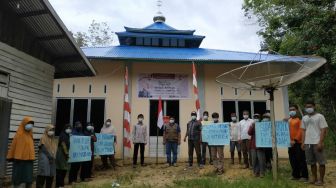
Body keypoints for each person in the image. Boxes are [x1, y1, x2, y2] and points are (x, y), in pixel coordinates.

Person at [301, 101, 328, 186]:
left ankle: (321, 180)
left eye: (310, 106)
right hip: (307, 143)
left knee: (321, 162)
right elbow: (303, 130)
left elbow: (324, 130)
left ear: (314, 106)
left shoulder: (320, 116)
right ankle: (314, 178)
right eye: (307, 107)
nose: (308, 108)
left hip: (317, 142)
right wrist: (303, 142)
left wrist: (320, 142)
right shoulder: (304, 118)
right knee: (311, 162)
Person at [7, 117, 35, 188]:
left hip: (29, 161)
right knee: (18, 178)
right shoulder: (19, 135)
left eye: (32, 124)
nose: (30, 125)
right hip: (19, 161)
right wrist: (15, 156)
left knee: (28, 179)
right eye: (29, 123)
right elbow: (14, 146)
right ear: (24, 124)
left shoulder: (30, 135)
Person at [288, 104, 309, 182]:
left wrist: (295, 140)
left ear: (297, 110)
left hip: (298, 143)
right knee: (292, 160)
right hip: (290, 143)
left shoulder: (301, 119)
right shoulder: (289, 120)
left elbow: (301, 130)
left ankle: (304, 176)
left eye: (293, 109)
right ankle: (295, 175)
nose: (291, 111)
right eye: (290, 110)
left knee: (301, 159)